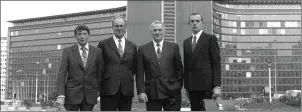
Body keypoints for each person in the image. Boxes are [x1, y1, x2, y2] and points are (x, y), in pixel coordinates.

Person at [136, 20, 183, 111]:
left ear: (164, 31)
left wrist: (178, 86)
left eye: (160, 30)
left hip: (172, 92)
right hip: (152, 92)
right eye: (155, 30)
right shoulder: (143, 49)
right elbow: (140, 73)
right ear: (151, 32)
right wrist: (141, 91)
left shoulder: (173, 47)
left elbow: (179, 69)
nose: (157, 32)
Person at [56, 24, 104, 111]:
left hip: (90, 96)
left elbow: (100, 74)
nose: (82, 36)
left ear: (89, 35)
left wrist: (96, 90)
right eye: (79, 34)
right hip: (71, 96)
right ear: (75, 36)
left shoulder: (97, 52)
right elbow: (61, 74)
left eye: (84, 34)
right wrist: (61, 95)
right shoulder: (67, 51)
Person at [97, 16, 137, 111]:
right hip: (108, 89)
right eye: (116, 26)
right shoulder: (103, 44)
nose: (119, 28)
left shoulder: (133, 46)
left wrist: (126, 76)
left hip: (126, 89)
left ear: (125, 28)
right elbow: (98, 66)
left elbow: (134, 66)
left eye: (122, 26)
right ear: (112, 27)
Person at [183, 12, 222, 111]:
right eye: (192, 21)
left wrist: (217, 86)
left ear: (202, 23)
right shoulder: (186, 42)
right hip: (192, 87)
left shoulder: (210, 38)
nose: (194, 23)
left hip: (207, 86)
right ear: (189, 23)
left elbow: (216, 63)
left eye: (197, 21)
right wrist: (186, 86)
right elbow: (186, 66)